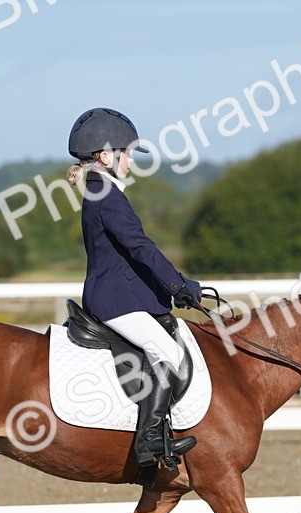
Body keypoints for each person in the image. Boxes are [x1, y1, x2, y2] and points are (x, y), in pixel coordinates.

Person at [66, 107, 202, 468]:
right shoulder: (106, 194)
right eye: (126, 154)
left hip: (117, 295)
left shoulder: (102, 190)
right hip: (115, 301)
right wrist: (179, 285)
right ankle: (150, 444)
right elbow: (140, 247)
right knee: (170, 356)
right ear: (106, 156)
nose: (129, 162)